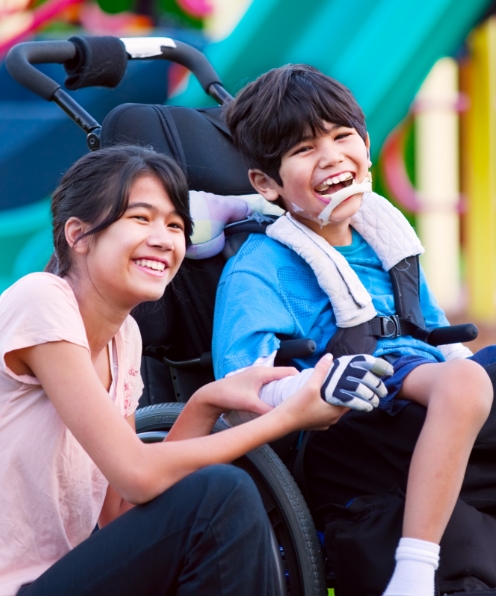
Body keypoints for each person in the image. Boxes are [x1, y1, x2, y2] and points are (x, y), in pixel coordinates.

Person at [0, 144, 364, 596]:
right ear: (78, 234)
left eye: (175, 225)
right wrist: (285, 419)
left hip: (59, 579)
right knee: (221, 496)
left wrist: (205, 403)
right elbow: (137, 472)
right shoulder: (41, 299)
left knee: (217, 507)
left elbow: (118, 507)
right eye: (140, 218)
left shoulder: (124, 338)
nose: (164, 238)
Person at [212, 64, 495, 596]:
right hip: (350, 413)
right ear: (266, 184)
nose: (330, 156)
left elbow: (437, 337)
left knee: (472, 377)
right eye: (303, 150)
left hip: (422, 389)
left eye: (342, 137)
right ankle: (414, 571)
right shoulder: (261, 267)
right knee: (465, 385)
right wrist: (310, 386)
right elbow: (239, 386)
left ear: (365, 146)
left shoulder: (383, 239)